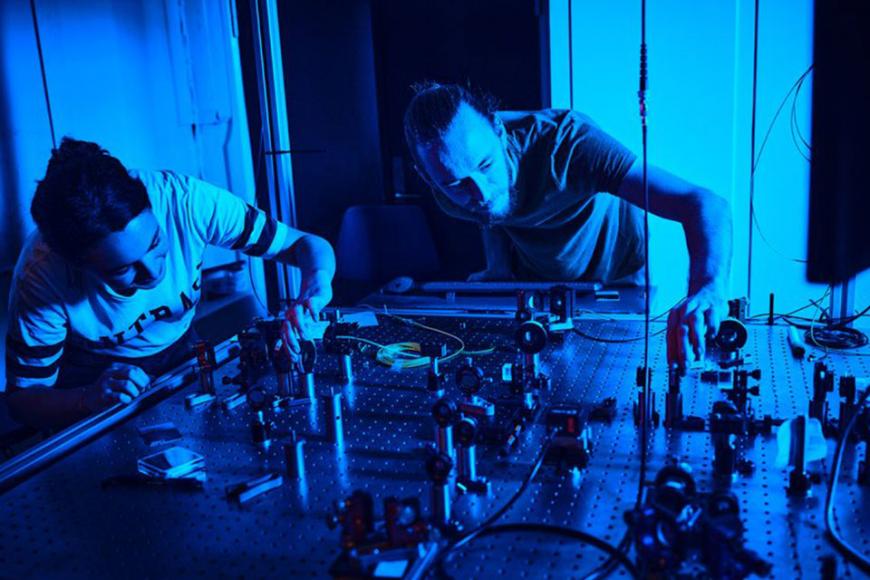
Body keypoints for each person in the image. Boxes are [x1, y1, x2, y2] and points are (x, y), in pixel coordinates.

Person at [5, 138, 335, 429]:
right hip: (93, 377)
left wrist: (313, 292)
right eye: (124, 269)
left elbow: (306, 247)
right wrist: (87, 399)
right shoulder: (42, 275)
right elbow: (23, 403)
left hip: (181, 348)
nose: (152, 273)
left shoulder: (184, 201)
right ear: (78, 265)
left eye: (154, 244)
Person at [403, 82, 732, 370]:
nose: (480, 192)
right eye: (457, 184)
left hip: (616, 279)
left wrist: (708, 288)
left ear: (500, 131)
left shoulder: (573, 144)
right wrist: (498, 269)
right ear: (427, 178)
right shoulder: (447, 188)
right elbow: (489, 213)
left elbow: (704, 203)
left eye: (487, 165)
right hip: (542, 283)